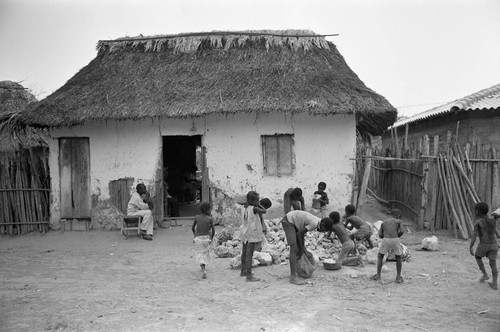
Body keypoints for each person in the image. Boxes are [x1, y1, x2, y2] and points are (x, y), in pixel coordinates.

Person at [281, 210, 333, 285]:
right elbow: (299, 233)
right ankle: (293, 277)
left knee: (300, 249)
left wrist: (302, 248)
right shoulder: (314, 223)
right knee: (294, 248)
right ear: (323, 224)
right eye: (324, 230)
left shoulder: (317, 221)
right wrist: (301, 248)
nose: (323, 232)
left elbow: (301, 233)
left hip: (294, 222)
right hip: (288, 221)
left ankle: (296, 270)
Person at [240, 191, 269, 282]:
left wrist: (255, 202)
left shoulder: (246, 207)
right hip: (252, 233)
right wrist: (259, 204)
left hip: (245, 231)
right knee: (249, 254)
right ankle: (249, 276)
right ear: (254, 201)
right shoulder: (254, 208)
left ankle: (243, 270)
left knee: (244, 252)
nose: (259, 201)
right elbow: (264, 211)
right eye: (258, 200)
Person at [470, 202, 499, 290]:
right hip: (494, 245)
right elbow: (497, 233)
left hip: (483, 245)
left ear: (478, 211)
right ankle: (494, 283)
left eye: (475, 210)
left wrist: (470, 247)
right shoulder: (493, 220)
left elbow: (474, 236)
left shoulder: (478, 222)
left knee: (477, 257)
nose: (474, 212)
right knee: (493, 264)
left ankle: (485, 274)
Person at [371, 209, 405, 283]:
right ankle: (398, 277)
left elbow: (380, 235)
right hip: (395, 239)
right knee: (398, 256)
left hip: (386, 239)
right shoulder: (398, 221)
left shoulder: (384, 222)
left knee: (380, 256)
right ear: (398, 216)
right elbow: (402, 231)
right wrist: (397, 236)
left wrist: (385, 237)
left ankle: (378, 276)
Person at [191, 202, 215, 279]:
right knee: (205, 253)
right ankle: (204, 268)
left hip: (198, 238)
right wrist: (211, 238)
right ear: (208, 210)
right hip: (206, 238)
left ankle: (204, 269)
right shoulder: (210, 219)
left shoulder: (197, 217)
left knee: (200, 254)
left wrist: (195, 236)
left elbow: (193, 227)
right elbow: (213, 230)